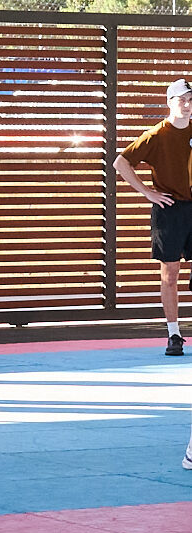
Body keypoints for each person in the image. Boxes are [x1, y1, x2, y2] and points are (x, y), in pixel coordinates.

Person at [115, 78, 192, 356]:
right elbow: (121, 162)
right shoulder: (156, 135)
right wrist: (147, 192)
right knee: (170, 273)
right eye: (181, 99)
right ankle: (174, 334)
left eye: (191, 100)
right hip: (169, 210)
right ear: (170, 102)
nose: (186, 105)